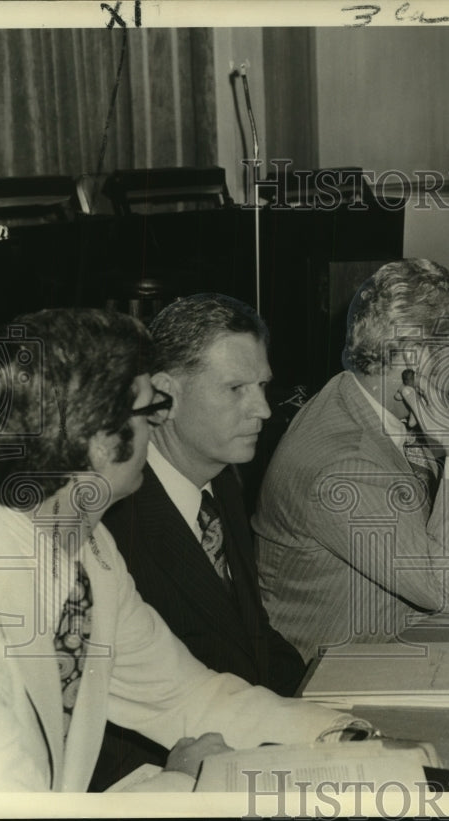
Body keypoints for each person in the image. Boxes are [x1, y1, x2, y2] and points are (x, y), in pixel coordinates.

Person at [0, 308, 362, 792]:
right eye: (148, 411)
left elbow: (185, 698)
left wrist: (341, 736)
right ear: (99, 440)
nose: (159, 421)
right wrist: (181, 780)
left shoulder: (91, 552)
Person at [253, 259, 449, 660]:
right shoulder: (343, 466)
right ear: (413, 355)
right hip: (337, 674)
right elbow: (443, 590)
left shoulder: (354, 395)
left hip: (396, 635)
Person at [91, 294, 307, 790]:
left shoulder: (221, 483)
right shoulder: (112, 524)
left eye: (262, 386)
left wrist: (327, 715)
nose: (264, 410)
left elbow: (252, 643)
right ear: (163, 398)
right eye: (235, 389)